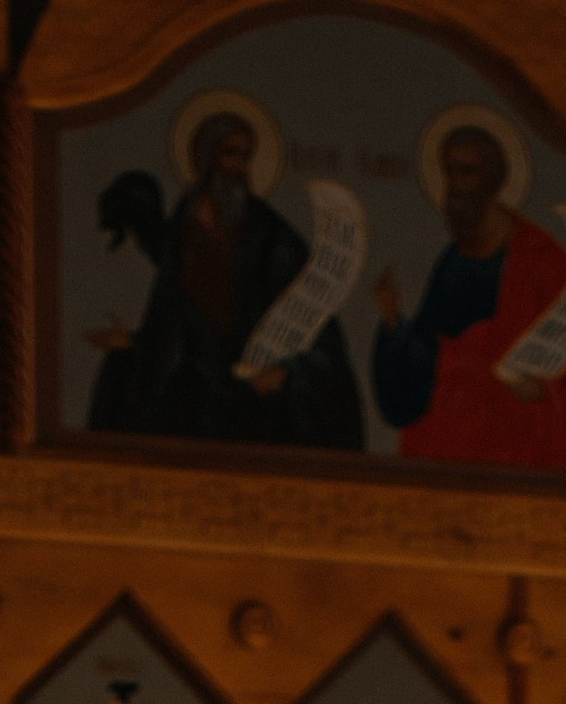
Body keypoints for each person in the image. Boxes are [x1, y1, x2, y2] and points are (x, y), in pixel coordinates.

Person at [87, 105, 363, 452]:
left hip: (252, 390)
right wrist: (135, 341)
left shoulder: (271, 238)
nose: (240, 168)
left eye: (246, 156)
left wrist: (287, 373)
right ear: (204, 157)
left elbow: (321, 332)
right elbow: (177, 324)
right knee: (121, 378)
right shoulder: (185, 227)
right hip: (197, 386)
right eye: (230, 154)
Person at [370, 120, 566, 478]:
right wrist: (393, 323)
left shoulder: (542, 260)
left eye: (466, 171)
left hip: (513, 445)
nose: (455, 184)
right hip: (448, 444)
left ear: (492, 178)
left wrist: (544, 393)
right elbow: (426, 359)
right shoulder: (452, 261)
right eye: (449, 171)